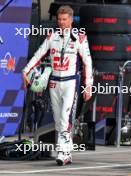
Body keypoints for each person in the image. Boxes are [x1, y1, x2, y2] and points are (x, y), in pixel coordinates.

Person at [22, 5, 93, 166]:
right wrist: (25, 71)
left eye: (64, 19)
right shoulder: (51, 36)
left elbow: (87, 62)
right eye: (59, 19)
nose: (61, 22)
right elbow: (38, 55)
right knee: (58, 121)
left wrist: (88, 85)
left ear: (71, 20)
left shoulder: (79, 37)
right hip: (54, 82)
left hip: (70, 82)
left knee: (64, 118)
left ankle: (62, 152)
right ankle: (66, 152)